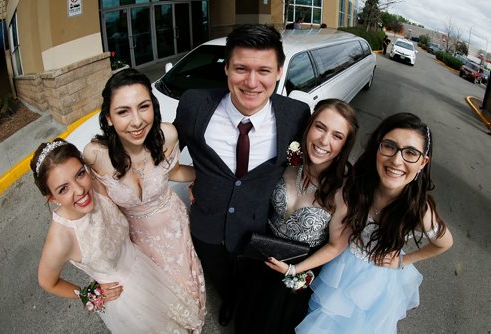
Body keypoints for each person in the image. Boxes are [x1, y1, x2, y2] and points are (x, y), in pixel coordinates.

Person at [174, 24, 311, 327]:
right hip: (206, 227)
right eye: (240, 68)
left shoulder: (296, 115)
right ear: (226, 69)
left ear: (278, 72)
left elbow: (318, 164)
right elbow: (162, 155)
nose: (251, 82)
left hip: (260, 231)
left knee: (253, 283)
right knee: (221, 278)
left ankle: (242, 306)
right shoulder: (194, 104)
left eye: (263, 70)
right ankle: (228, 301)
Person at [270, 113, 454, 333]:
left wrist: (404, 261)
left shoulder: (419, 209)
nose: (396, 160)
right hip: (340, 269)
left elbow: (444, 243)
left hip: (376, 284)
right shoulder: (357, 186)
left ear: (423, 162)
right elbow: (335, 239)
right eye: (389, 146)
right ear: (378, 149)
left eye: (410, 153)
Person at [31, 139, 203, 333]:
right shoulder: (60, 239)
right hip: (130, 299)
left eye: (80, 174)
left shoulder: (96, 186)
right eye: (63, 189)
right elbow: (47, 282)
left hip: (147, 265)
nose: (79, 190)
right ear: (52, 198)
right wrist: (89, 295)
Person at [83, 68, 206, 332]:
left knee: (184, 291)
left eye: (144, 107)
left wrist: (206, 178)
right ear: (108, 118)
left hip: (173, 229)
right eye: (123, 111)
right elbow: (99, 211)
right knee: (154, 306)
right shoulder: (95, 155)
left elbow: (171, 171)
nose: (137, 121)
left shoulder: (168, 135)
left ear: (154, 106)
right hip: (135, 242)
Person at [236, 99, 359, 334]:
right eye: (320, 127)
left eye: (337, 136)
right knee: (249, 311)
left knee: (276, 322)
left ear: (345, 145)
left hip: (299, 270)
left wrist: (294, 270)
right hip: (262, 252)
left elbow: (336, 245)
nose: (324, 141)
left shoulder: (345, 191)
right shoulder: (287, 161)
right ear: (308, 126)